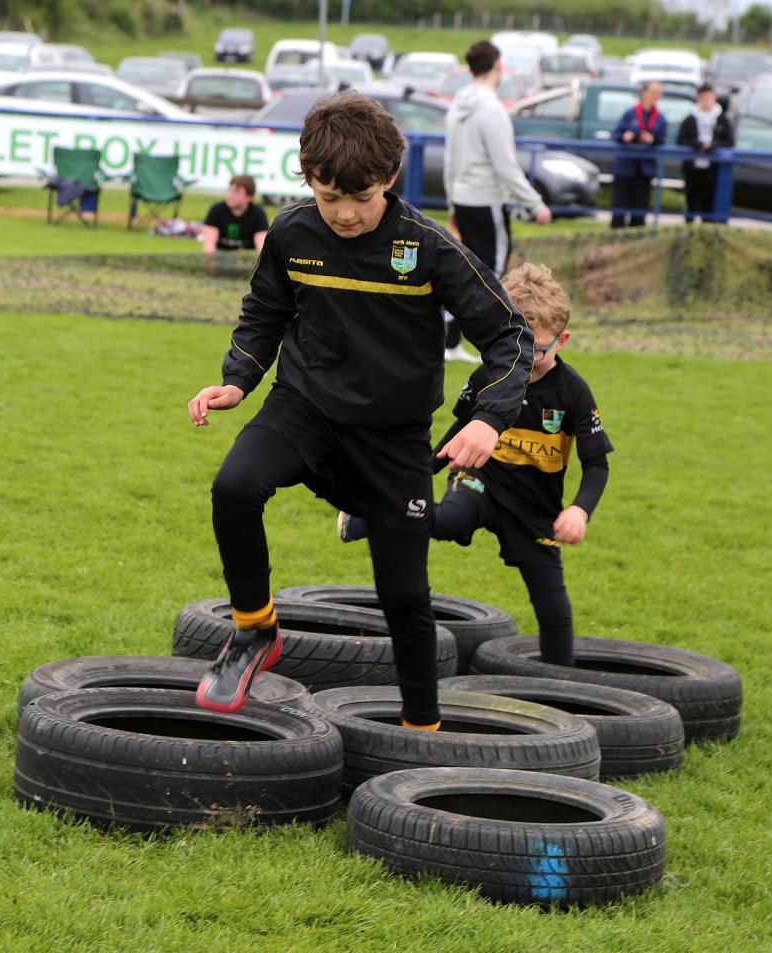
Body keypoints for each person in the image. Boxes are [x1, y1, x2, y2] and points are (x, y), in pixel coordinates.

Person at [187, 91, 533, 729]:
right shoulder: (291, 232)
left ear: (391, 178)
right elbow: (266, 313)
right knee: (234, 486)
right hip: (305, 406)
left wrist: (487, 418)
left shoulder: (428, 247)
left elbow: (511, 336)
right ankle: (254, 629)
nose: (344, 214)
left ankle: (420, 727)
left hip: (393, 439)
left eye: (361, 198)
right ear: (306, 177)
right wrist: (237, 380)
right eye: (328, 198)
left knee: (404, 595)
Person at [339, 262, 613, 667]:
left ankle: (561, 687)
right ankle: (368, 517)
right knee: (450, 517)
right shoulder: (490, 375)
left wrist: (579, 510)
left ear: (563, 339)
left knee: (554, 607)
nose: (528, 357)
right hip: (480, 479)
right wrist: (417, 477)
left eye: (538, 348)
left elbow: (597, 465)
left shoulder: (573, 393)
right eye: (518, 344)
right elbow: (456, 433)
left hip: (535, 510)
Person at [443, 39, 552, 364]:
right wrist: (536, 204)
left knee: (465, 273)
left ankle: (449, 343)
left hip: (463, 198)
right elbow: (506, 166)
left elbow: (450, 160)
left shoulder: (455, 108)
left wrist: (452, 205)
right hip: (486, 201)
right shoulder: (491, 110)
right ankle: (499, 347)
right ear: (498, 67)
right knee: (496, 276)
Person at [610, 81, 667, 228]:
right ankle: (615, 240)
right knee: (620, 206)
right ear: (644, 93)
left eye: (659, 92)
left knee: (640, 208)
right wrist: (626, 136)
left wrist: (652, 139)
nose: (656, 96)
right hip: (626, 167)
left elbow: (662, 139)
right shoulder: (630, 113)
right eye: (654, 92)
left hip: (645, 168)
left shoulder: (660, 118)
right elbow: (617, 134)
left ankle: (636, 241)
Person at [677, 83, 735, 224]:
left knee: (708, 207)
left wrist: (713, 146)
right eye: (703, 97)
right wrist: (698, 144)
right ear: (698, 98)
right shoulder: (690, 119)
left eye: (709, 97)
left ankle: (705, 240)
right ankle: (688, 238)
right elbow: (681, 140)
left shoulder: (722, 119)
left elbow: (729, 142)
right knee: (691, 205)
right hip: (692, 170)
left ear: (714, 97)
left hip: (712, 171)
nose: (706, 101)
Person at [202, 174, 268, 253]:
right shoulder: (216, 210)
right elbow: (209, 246)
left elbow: (262, 249)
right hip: (219, 259)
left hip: (246, 261)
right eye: (230, 190)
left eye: (237, 192)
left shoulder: (258, 214)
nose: (231, 195)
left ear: (249, 197)